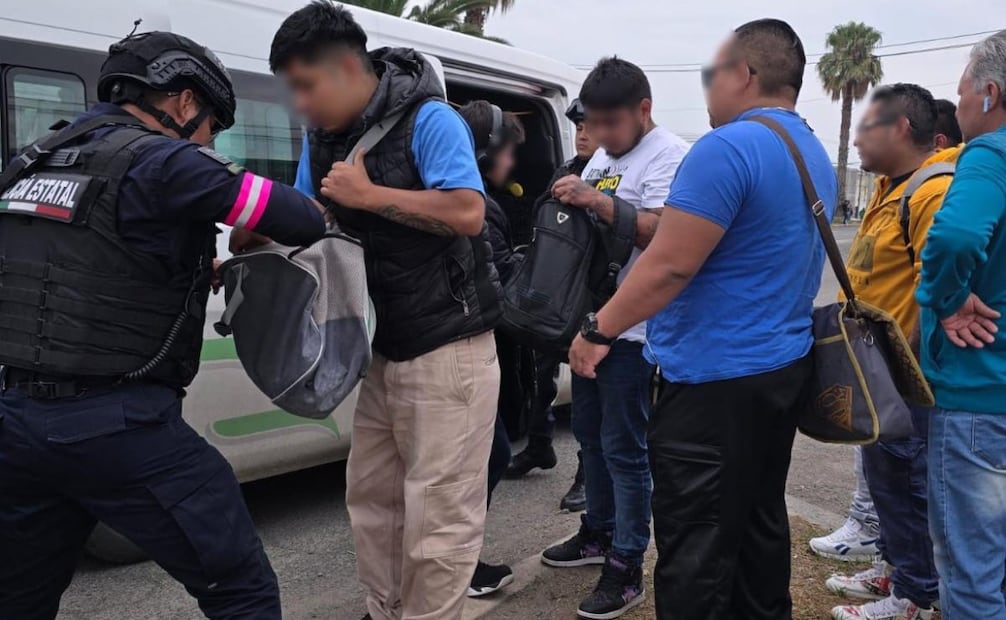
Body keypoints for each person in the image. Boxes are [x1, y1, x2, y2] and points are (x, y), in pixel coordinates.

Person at [0, 31, 327, 620]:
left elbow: (84, 266)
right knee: (241, 586)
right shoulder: (163, 158)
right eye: (212, 127)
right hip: (116, 426)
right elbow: (299, 217)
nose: (209, 140)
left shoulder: (33, 160)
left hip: (16, 422)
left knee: (19, 597)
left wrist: (200, 269)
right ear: (182, 103)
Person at [569, 20, 837, 619]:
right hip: (783, 368)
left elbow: (667, 266)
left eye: (713, 74)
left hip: (714, 382)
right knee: (759, 522)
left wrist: (597, 330)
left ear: (744, 75)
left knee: (696, 544)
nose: (709, 88)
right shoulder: (810, 149)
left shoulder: (728, 147)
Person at [271, 4, 501, 619]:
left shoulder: (431, 118)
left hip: (448, 349)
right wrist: (257, 237)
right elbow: (310, 212)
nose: (300, 104)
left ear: (348, 67)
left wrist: (369, 196)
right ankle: (385, 610)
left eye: (305, 86)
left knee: (439, 518)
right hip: (379, 347)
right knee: (373, 503)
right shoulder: (323, 138)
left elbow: (467, 213)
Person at [540, 57, 688, 620]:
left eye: (609, 123)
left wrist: (596, 199)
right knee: (591, 438)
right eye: (592, 123)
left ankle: (627, 565)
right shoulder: (605, 153)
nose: (599, 135)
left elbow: (666, 236)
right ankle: (598, 532)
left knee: (627, 450)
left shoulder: (669, 154)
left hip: (633, 328)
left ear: (643, 110)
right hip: (589, 320)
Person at [826, 83, 955, 620]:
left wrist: (907, 367)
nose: (856, 138)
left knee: (904, 483)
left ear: (901, 128)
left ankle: (915, 596)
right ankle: (896, 568)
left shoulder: (933, 191)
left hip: (904, 375)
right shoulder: (890, 187)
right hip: (875, 367)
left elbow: (942, 289)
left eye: (867, 126)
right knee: (885, 479)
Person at [916, 30, 1006, 620]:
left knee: (971, 573)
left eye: (962, 93)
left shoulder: (990, 153)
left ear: (990, 93)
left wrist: (944, 298)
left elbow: (953, 235)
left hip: (978, 393)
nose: (959, 105)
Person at [506, 98, 601, 515]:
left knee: (585, 394)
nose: (582, 133)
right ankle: (539, 446)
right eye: (578, 126)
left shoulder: (610, 174)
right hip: (551, 292)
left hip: (590, 298)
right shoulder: (564, 171)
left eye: (591, 125)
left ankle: (586, 474)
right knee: (541, 377)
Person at [457, 99, 526, 598]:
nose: (512, 164)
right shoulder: (479, 204)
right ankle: (457, 564)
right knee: (488, 454)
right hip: (460, 353)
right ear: (485, 152)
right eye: (507, 152)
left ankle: (454, 561)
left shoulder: (457, 195)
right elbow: (497, 283)